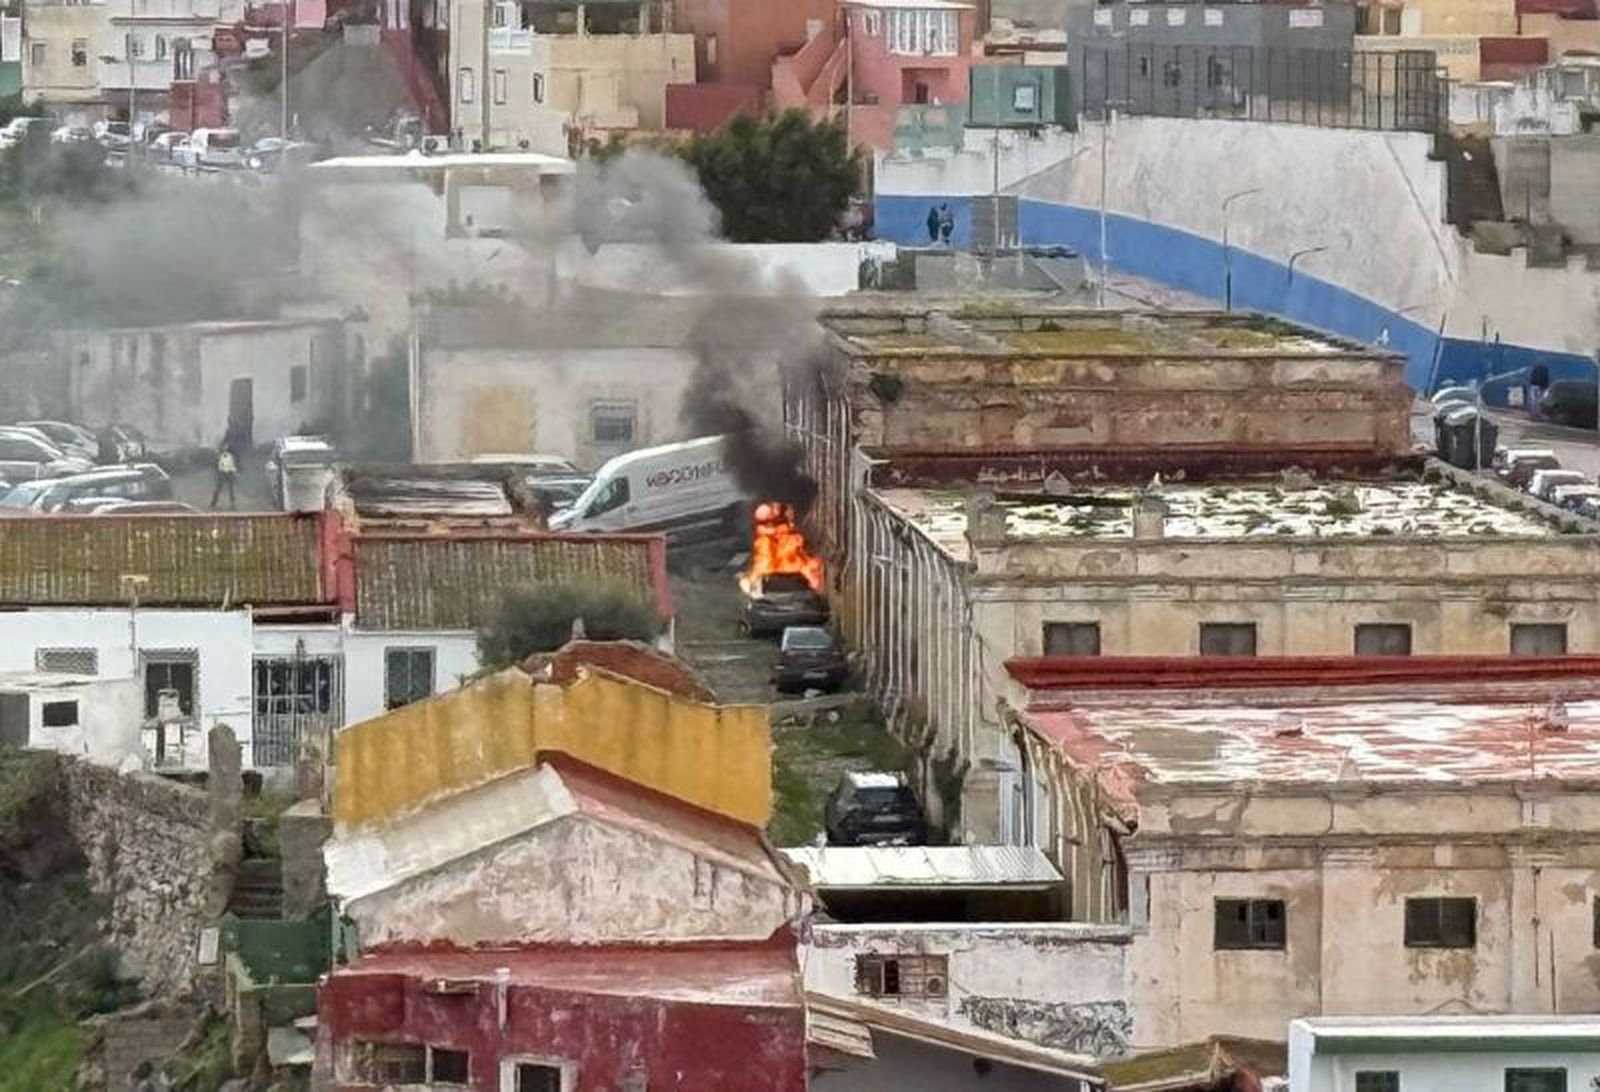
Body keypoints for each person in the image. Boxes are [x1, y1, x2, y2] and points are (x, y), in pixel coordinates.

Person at [210, 443, 238, 509]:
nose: (225, 448)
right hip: (222, 473)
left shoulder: (230, 456)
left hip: (229, 473)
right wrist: (219, 471)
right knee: (218, 488)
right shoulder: (220, 455)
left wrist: (234, 472)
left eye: (226, 447)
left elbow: (232, 465)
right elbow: (216, 464)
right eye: (224, 447)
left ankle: (232, 503)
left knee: (231, 489)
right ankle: (214, 502)